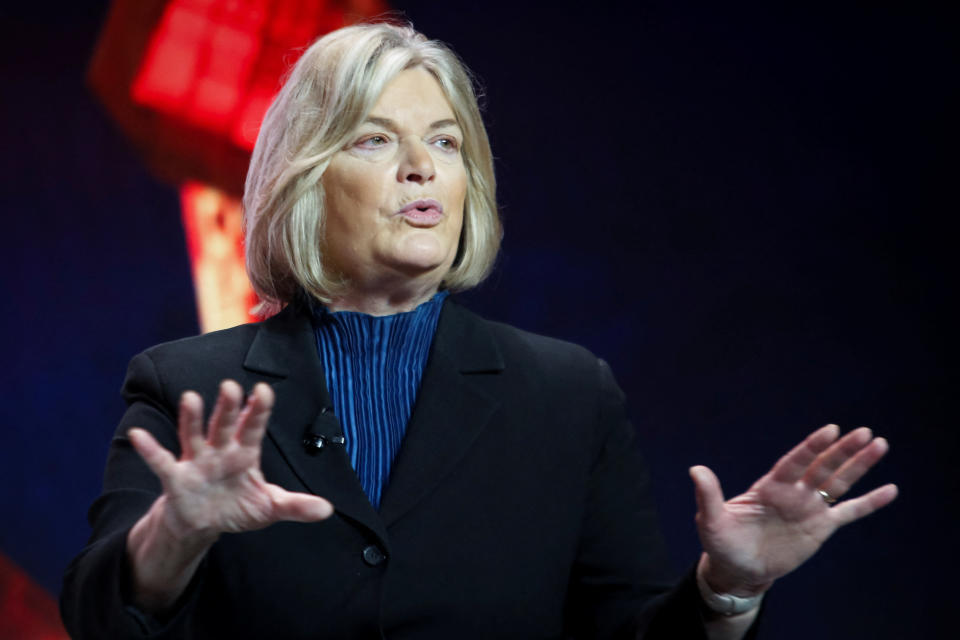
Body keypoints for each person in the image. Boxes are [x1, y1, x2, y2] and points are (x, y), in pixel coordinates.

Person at [60, 22, 897, 640]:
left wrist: (726, 588)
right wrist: (177, 533)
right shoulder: (188, 390)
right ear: (304, 182)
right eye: (376, 139)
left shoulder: (568, 397)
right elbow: (96, 620)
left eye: (446, 143)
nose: (423, 167)